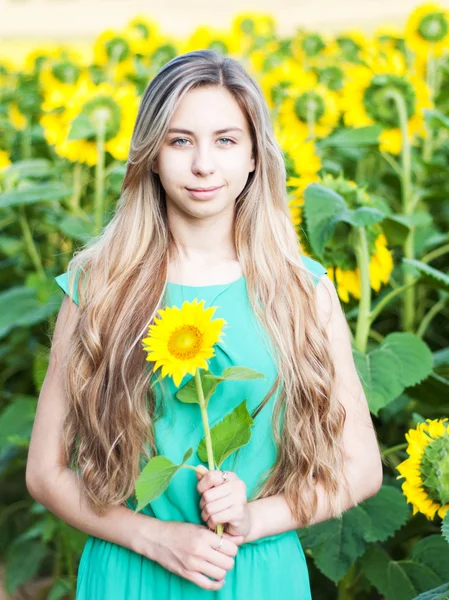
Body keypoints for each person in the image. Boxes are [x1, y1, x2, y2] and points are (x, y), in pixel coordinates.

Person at [25, 49, 383, 599]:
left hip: (256, 572)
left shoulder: (301, 290)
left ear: (254, 157)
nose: (203, 165)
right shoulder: (99, 287)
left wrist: (254, 518)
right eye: (179, 140)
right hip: (132, 573)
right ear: (150, 154)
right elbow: (45, 472)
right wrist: (154, 537)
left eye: (225, 140)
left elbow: (362, 469)